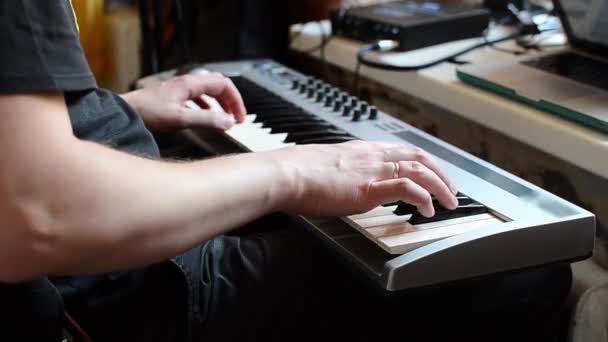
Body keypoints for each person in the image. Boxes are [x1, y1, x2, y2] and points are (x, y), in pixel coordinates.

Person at [0, 1, 572, 341]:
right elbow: (41, 216)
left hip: (111, 272)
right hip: (131, 298)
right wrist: (292, 172)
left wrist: (120, 109)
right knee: (525, 274)